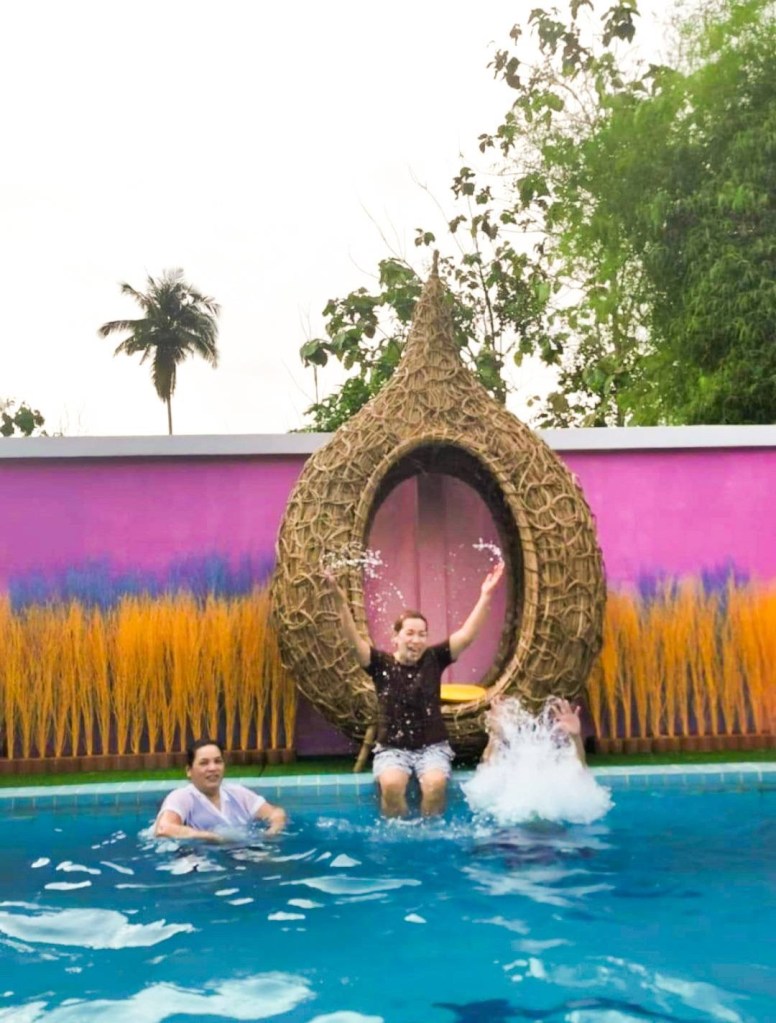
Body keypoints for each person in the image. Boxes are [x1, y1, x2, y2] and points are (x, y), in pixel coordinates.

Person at [325, 560, 505, 817]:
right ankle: (397, 835)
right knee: (391, 785)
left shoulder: (434, 658)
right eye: (410, 633)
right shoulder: (380, 663)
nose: (417, 640)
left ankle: (429, 834)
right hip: (392, 749)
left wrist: (485, 595)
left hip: (432, 747)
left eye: (422, 634)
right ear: (395, 636)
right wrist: (341, 603)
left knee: (434, 785)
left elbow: (466, 636)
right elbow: (352, 640)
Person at [154, 738, 287, 841]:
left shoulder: (238, 794)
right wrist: (214, 838)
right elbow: (163, 828)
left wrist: (272, 832)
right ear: (189, 770)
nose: (213, 768)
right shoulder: (182, 797)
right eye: (204, 763)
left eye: (218, 761)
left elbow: (276, 813)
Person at [481, 696, 587, 765]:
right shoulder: (509, 767)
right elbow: (487, 771)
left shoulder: (554, 770)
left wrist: (575, 737)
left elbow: (580, 772)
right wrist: (496, 732)